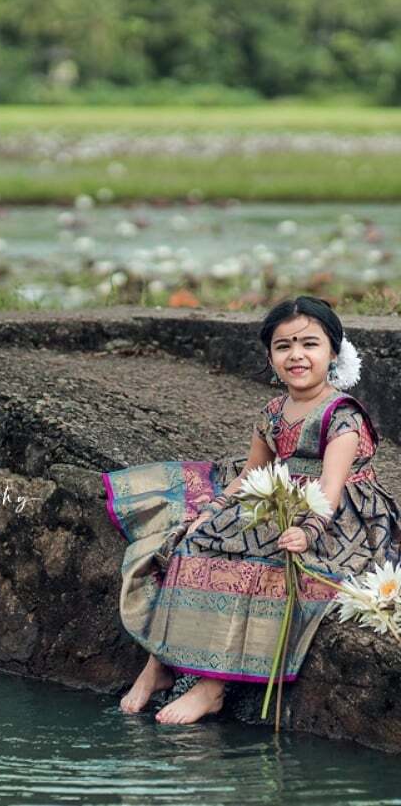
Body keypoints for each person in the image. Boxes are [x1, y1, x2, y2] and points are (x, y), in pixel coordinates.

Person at [103, 295, 401, 725]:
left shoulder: (342, 417)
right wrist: (214, 509)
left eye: (310, 344)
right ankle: (160, 663)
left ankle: (213, 687)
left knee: (265, 563)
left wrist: (308, 532)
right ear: (270, 356)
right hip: (277, 494)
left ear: (333, 351)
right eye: (284, 346)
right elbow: (251, 474)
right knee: (197, 539)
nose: (297, 355)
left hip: (339, 518)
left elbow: (331, 494)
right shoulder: (273, 412)